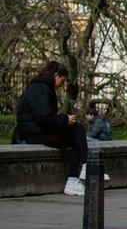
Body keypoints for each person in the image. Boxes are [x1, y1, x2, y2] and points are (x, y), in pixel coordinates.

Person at [14, 61, 90, 195]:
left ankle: (76, 176)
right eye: (62, 80)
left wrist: (64, 120)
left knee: (76, 135)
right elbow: (45, 119)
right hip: (34, 134)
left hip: (35, 131)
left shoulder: (40, 87)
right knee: (77, 130)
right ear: (56, 75)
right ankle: (82, 170)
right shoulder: (41, 89)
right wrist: (65, 119)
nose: (62, 84)